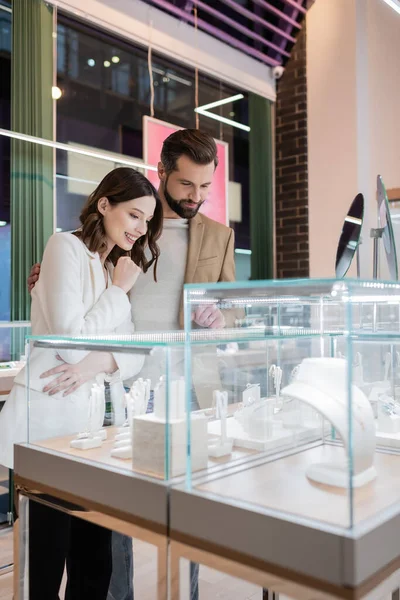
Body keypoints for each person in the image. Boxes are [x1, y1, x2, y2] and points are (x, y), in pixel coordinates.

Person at [28, 128, 236, 600]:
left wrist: (222, 315)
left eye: (205, 187)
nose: (196, 197)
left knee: (189, 513)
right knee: (111, 522)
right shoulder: (131, 224)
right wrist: (44, 286)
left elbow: (233, 304)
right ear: (162, 172)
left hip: (188, 390)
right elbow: (88, 291)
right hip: (121, 388)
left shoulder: (219, 237)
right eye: (186, 185)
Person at [3, 166, 163, 599]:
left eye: (146, 221)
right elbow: (70, 343)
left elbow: (132, 356)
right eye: (134, 215)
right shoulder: (65, 248)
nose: (140, 229)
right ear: (104, 204)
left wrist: (92, 366)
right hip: (51, 432)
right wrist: (117, 293)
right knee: (46, 562)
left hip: (98, 433)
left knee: (96, 563)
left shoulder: (110, 267)